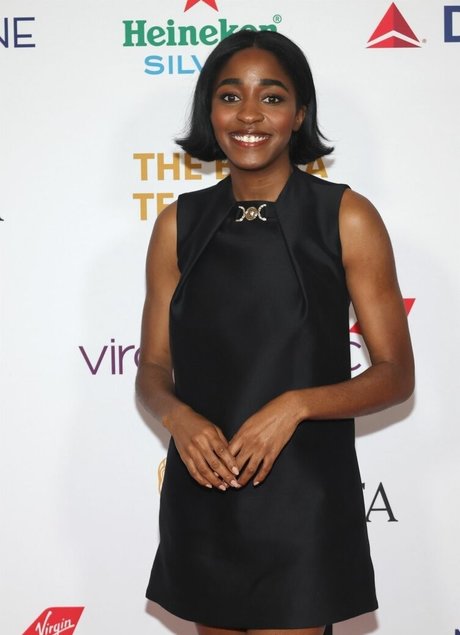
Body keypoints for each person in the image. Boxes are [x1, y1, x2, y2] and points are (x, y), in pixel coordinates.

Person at [135, 30, 414, 635]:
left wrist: (296, 405)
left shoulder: (346, 216)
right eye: (230, 96)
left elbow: (396, 375)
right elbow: (152, 368)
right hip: (203, 490)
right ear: (210, 110)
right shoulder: (178, 225)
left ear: (300, 113)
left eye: (272, 97)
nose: (249, 115)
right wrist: (178, 419)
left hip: (303, 499)